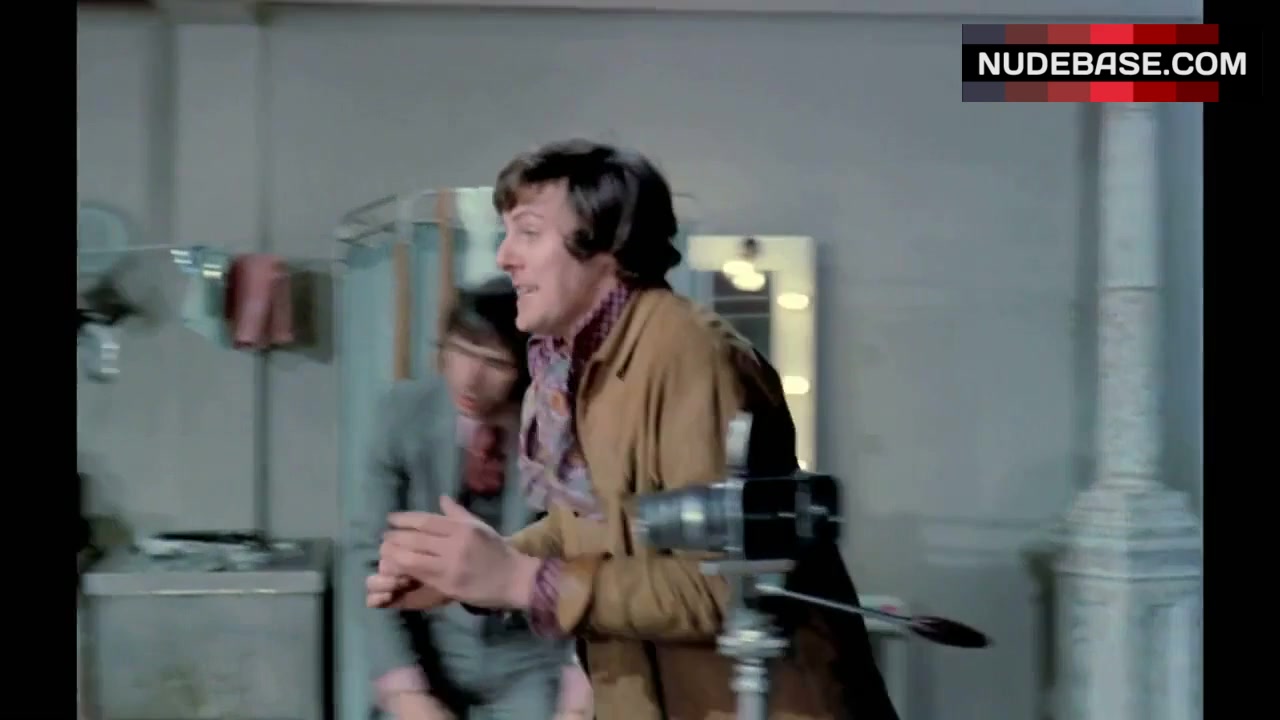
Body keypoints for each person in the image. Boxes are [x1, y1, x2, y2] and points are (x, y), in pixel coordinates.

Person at [368, 140, 900, 720]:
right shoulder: (578, 365)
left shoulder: (686, 354)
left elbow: (721, 586)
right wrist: (473, 568)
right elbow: (604, 526)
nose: (505, 257)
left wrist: (521, 579)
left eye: (528, 232)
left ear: (606, 247)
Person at [349, 275, 592, 720]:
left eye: (495, 362)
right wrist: (404, 692)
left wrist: (577, 701)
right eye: (460, 351)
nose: (470, 378)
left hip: (533, 659)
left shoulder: (563, 430)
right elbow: (368, 554)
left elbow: (592, 563)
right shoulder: (402, 414)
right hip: (433, 650)